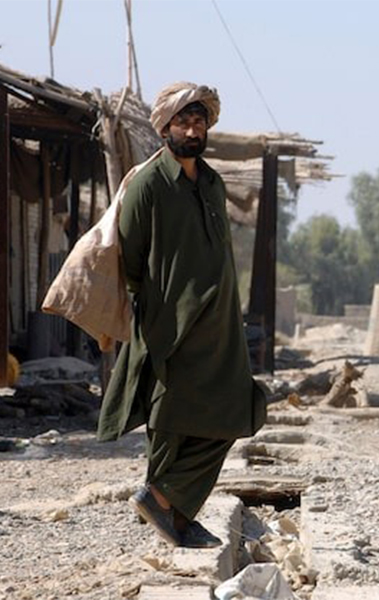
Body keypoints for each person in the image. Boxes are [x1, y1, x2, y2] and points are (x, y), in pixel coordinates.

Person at [97, 82, 267, 548]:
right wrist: (161, 305)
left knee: (238, 410)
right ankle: (171, 513)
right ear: (166, 127)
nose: (192, 130)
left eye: (199, 122)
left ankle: (164, 500)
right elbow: (130, 260)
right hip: (172, 325)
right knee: (170, 420)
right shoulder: (148, 184)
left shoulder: (212, 182)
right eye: (183, 122)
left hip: (221, 327)